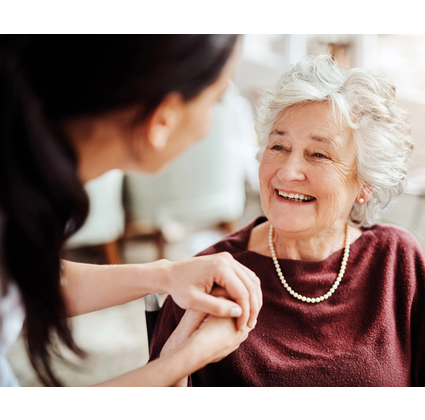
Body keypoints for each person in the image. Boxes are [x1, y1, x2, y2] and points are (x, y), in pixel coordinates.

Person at [149, 54, 425, 386]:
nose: (287, 173)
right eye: (278, 147)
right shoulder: (209, 278)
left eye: (318, 154)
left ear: (365, 183)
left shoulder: (398, 261)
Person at [0, 34, 262, 387]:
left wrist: (166, 274)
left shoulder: (31, 174)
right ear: (162, 120)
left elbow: (25, 280)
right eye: (218, 100)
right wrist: (185, 359)